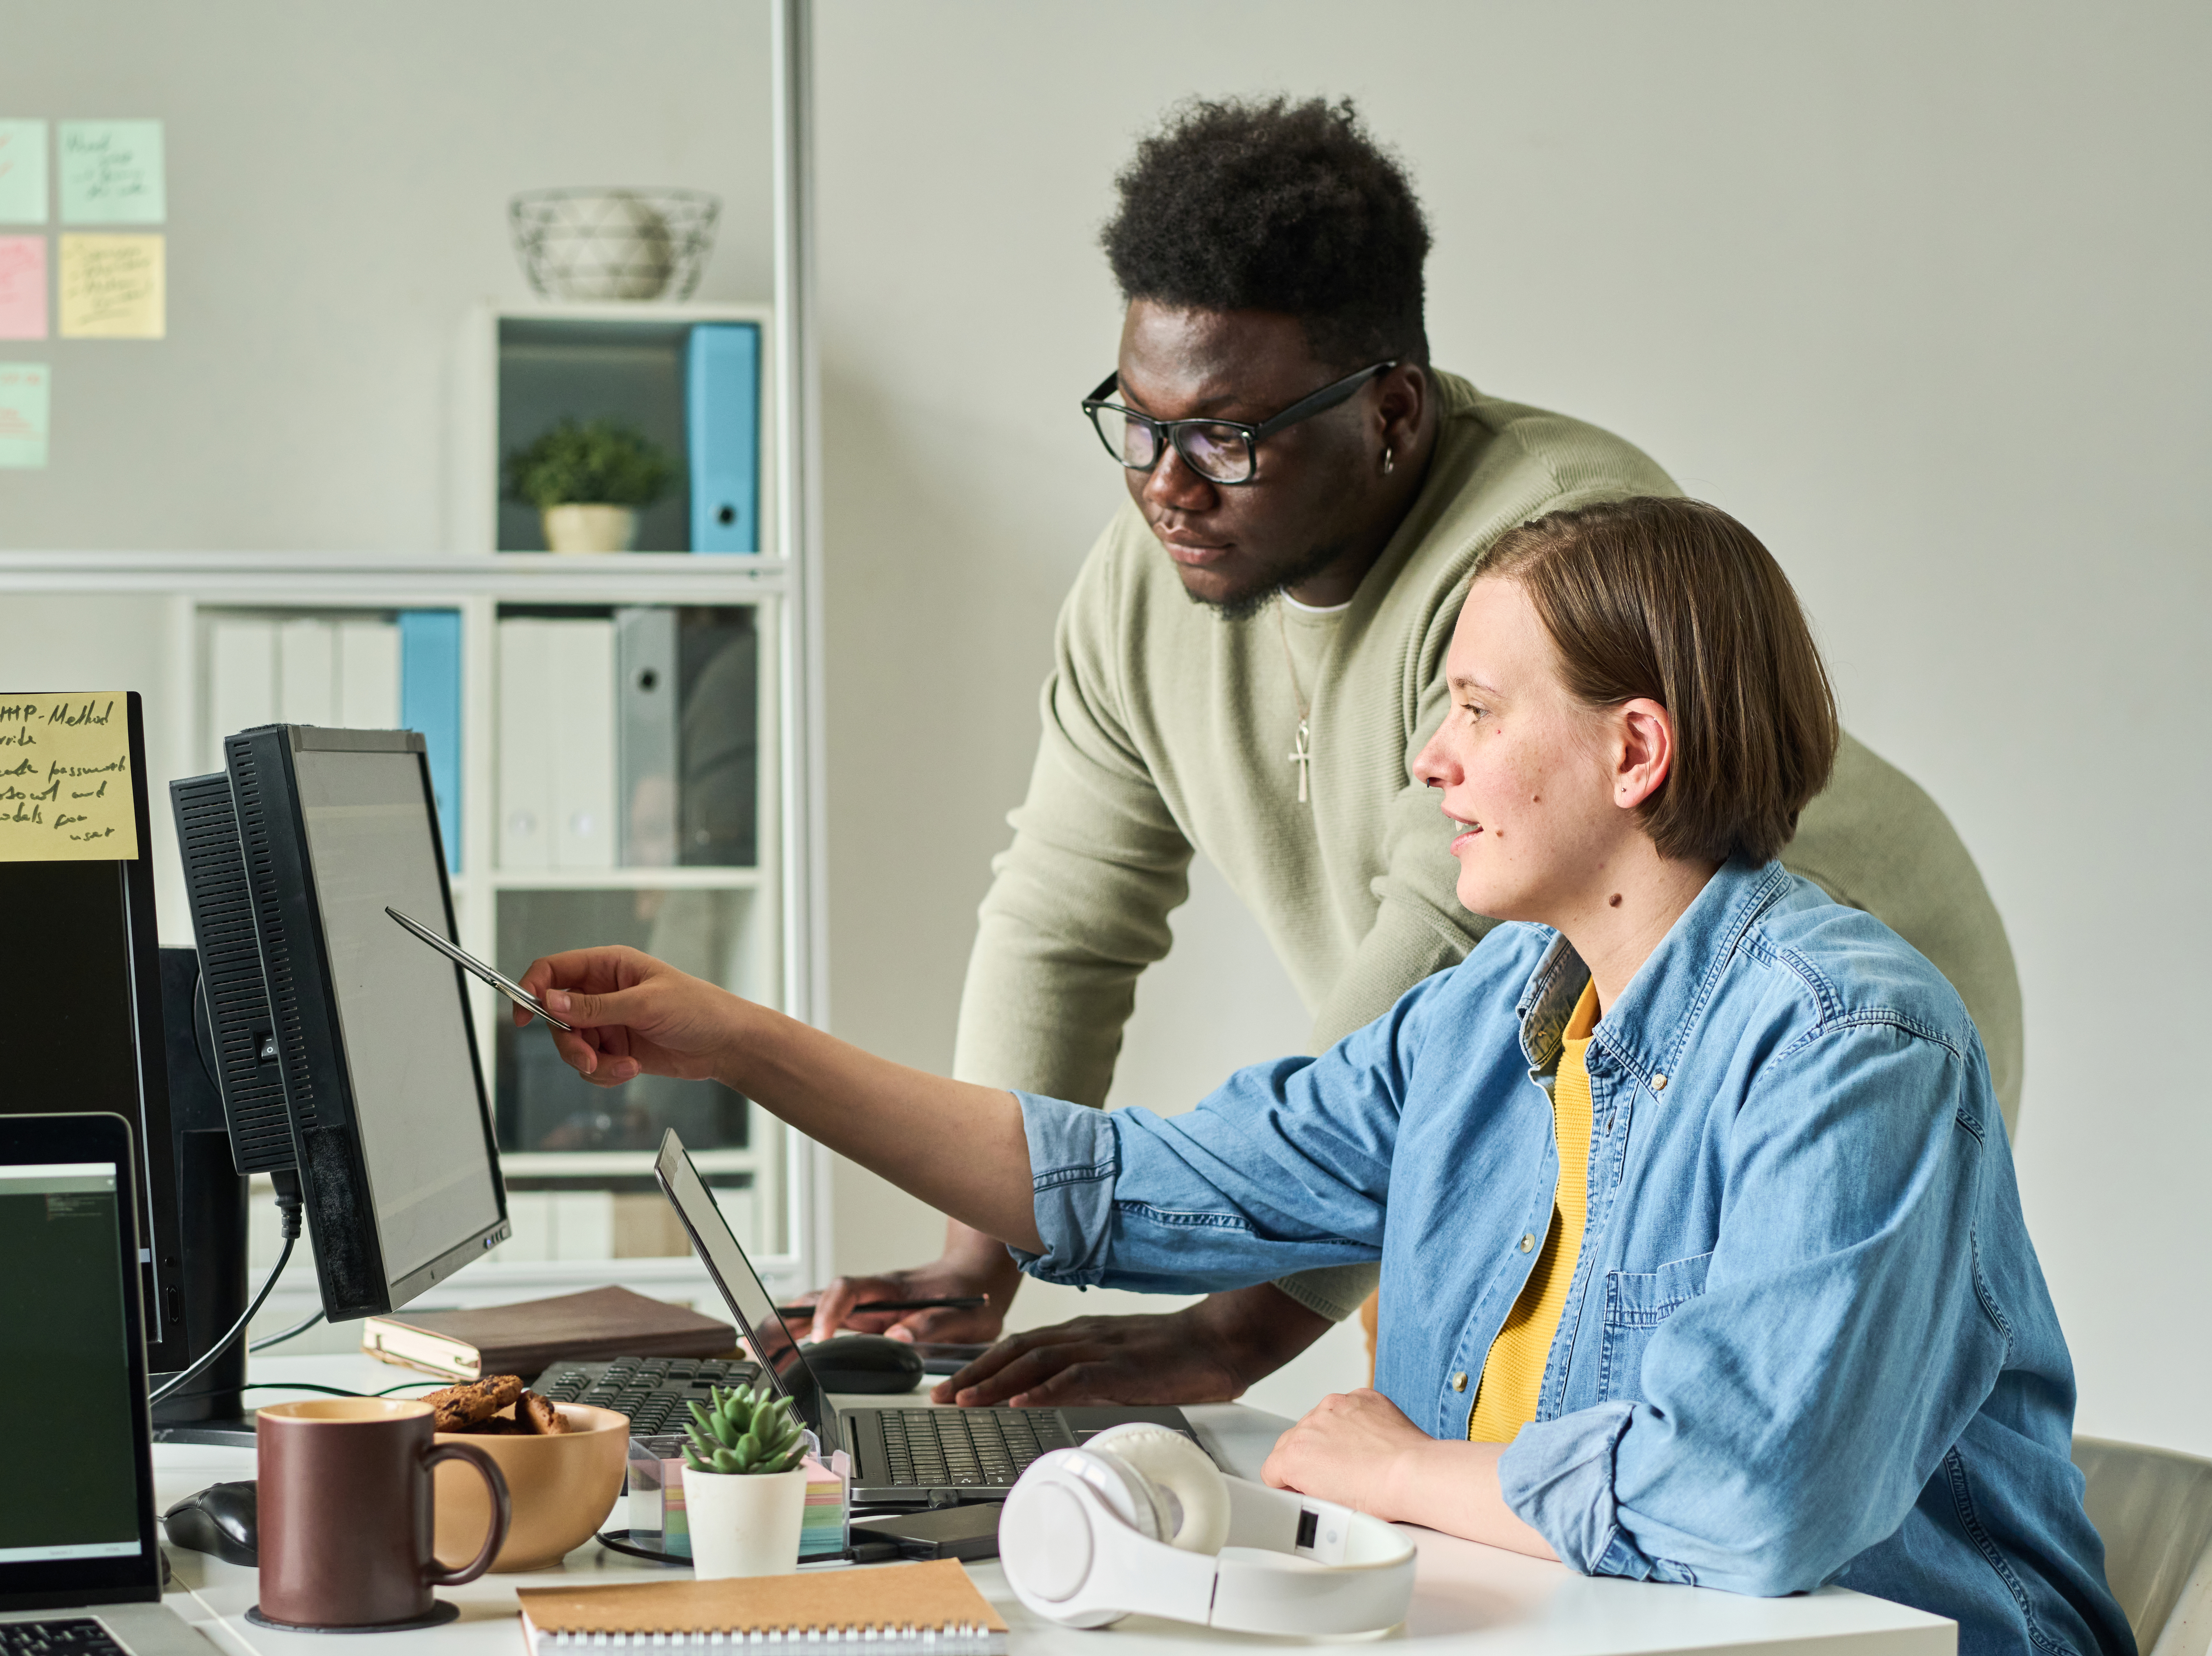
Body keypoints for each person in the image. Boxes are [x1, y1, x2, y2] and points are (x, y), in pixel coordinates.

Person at [515, 499, 2132, 1656]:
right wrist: (730, 1041)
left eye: (1482, 712)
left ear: (1635, 748)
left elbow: (1746, 1502)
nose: (1431, 759)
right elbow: (1140, 1186)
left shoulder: (1855, 1039)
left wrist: (1411, 1468)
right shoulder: (1498, 1010)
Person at [800, 94, 2024, 1412]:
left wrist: (1230, 1336)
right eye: (1138, 423)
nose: (1167, 482)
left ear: (1390, 412)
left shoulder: (1543, 556)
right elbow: (1064, 913)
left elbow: (1439, 967)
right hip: (1522, 1032)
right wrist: (974, 1263)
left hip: (1803, 1019)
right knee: (1471, 1426)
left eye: (1226, 435)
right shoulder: (1149, 575)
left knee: (1680, 1442)